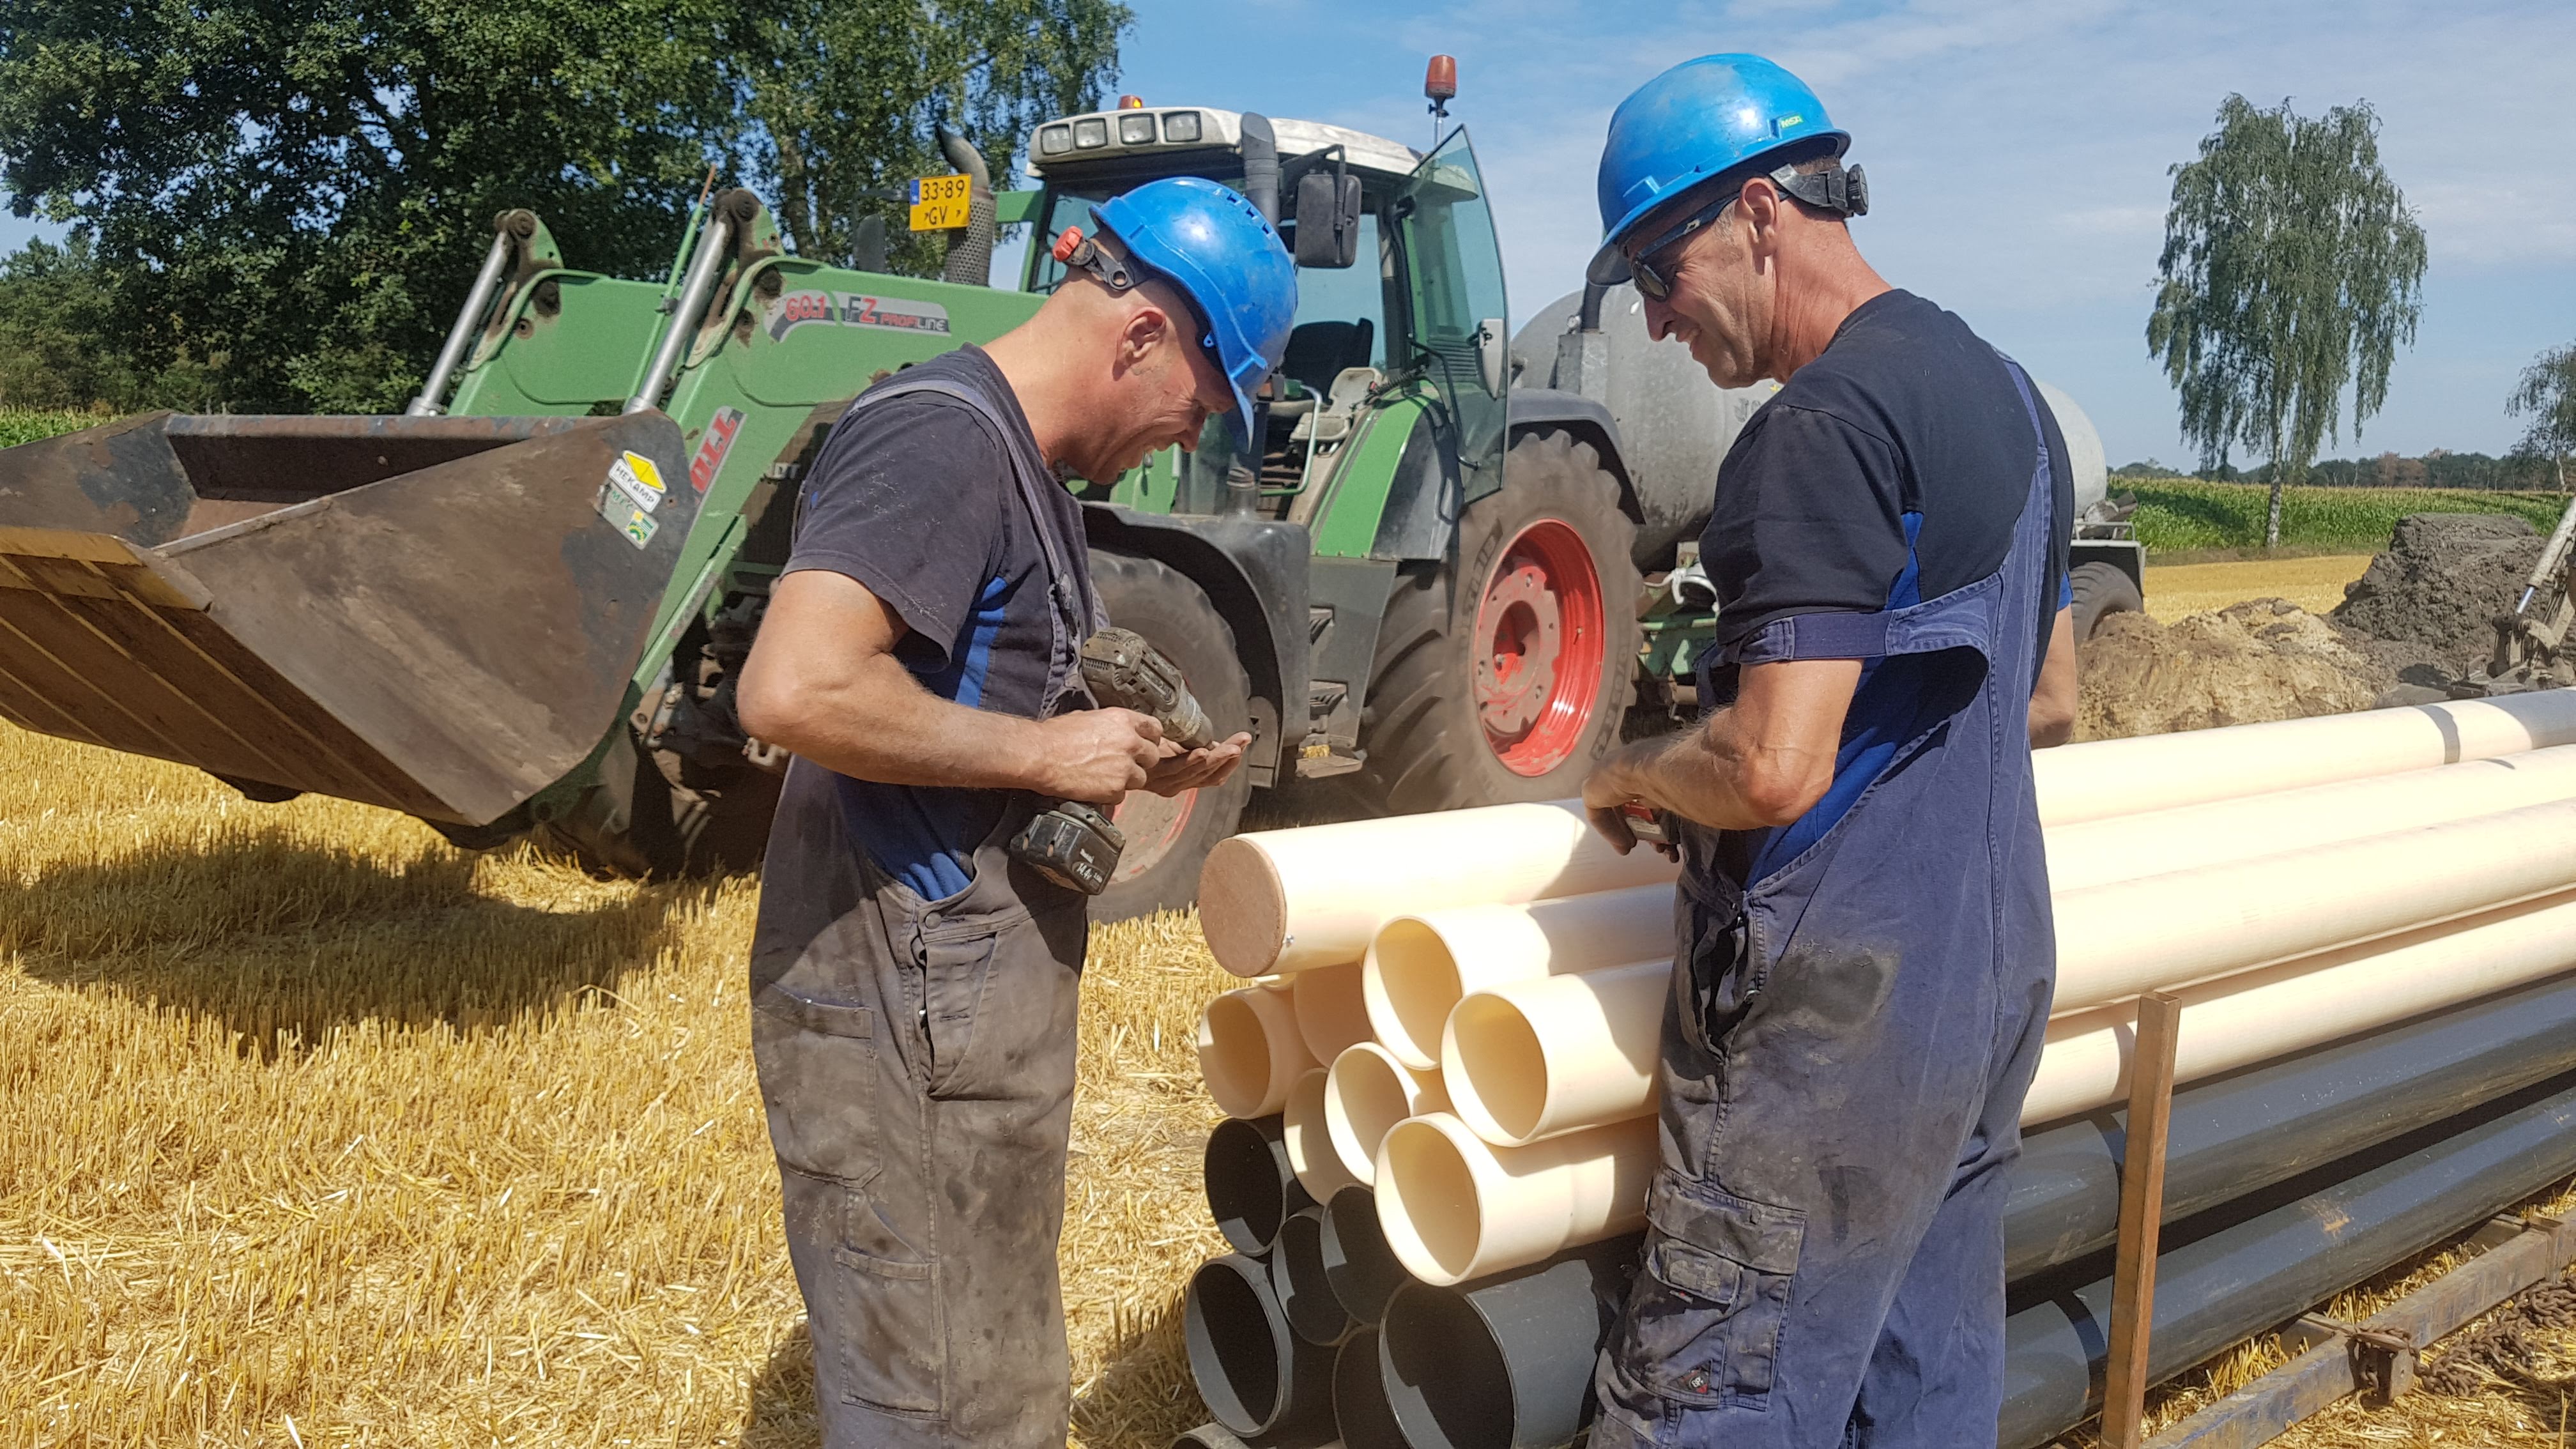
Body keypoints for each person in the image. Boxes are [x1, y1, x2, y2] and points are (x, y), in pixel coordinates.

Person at [733, 175, 1294, 1448]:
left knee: (984, 1382)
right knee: (937, 1405)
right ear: (1144, 333)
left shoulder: (1021, 467)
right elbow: (796, 685)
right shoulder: (938, 436)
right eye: (1202, 406)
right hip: (902, 1003)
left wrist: (1117, 761)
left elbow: (960, 702)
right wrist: (1046, 753)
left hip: (952, 1011)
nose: (1190, 435)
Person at [1575, 55, 2080, 1447]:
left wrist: (1628, 773)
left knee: (1715, 1400)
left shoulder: (1816, 430)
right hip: (1983, 985)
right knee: (1922, 1389)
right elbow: (2049, 702)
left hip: (1834, 1029)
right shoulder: (2012, 401)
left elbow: (1770, 771)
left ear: (1753, 215)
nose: (1660, 326)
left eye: (1659, 280)